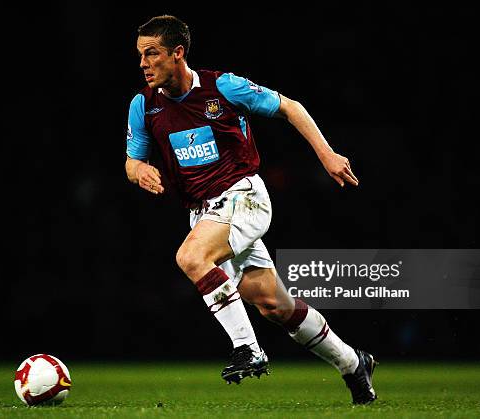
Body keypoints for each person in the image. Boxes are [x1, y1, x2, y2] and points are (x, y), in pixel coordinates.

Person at [125, 15, 377, 404]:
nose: (143, 63)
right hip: (204, 212)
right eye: (140, 54)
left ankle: (248, 348)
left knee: (191, 256)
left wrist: (326, 155)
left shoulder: (222, 87)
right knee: (275, 306)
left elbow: (290, 107)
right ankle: (352, 363)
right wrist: (139, 169)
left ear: (177, 53)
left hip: (244, 196)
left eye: (151, 53)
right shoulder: (143, 105)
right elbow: (131, 161)